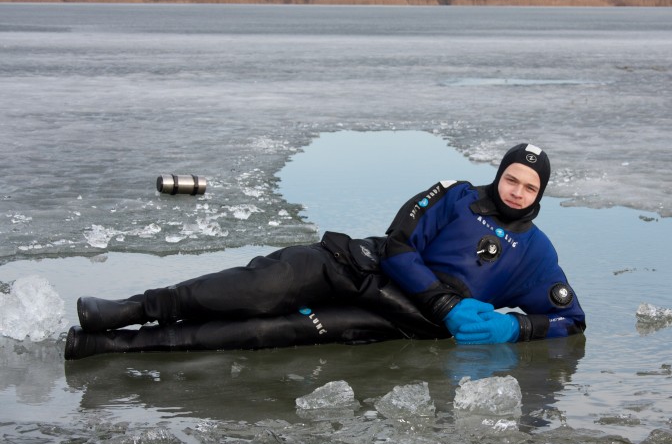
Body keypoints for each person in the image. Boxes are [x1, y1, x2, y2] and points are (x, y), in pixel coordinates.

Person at [65, 143, 585, 360]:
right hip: (357, 267)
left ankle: (119, 347)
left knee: (270, 331)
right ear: (499, 174)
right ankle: (130, 310)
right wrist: (444, 303)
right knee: (253, 290)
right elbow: (399, 244)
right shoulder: (454, 194)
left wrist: (517, 327)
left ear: (540, 194)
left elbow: (573, 321)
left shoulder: (536, 254)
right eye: (511, 178)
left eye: (529, 186)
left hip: (397, 319)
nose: (517, 191)